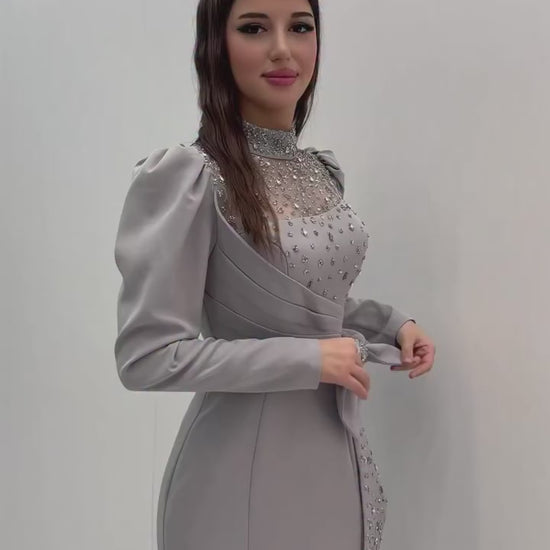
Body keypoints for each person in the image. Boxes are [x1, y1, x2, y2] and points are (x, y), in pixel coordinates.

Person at [113, 1, 436, 549]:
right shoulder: (189, 177)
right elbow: (147, 357)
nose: (283, 49)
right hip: (237, 474)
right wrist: (309, 360)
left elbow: (304, 300)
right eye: (254, 27)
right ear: (216, 44)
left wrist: (391, 324)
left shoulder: (320, 170)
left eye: (300, 27)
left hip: (334, 455)